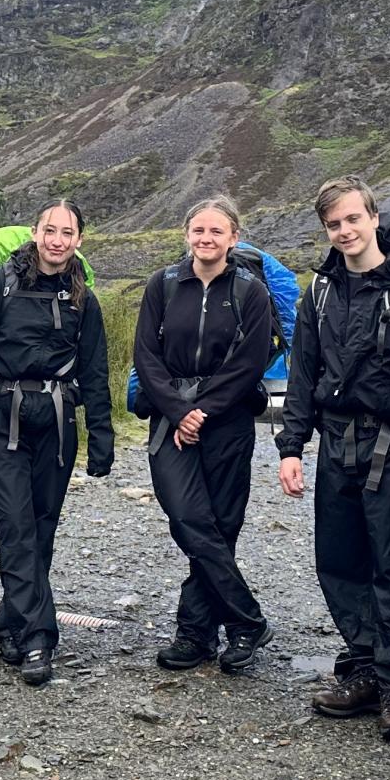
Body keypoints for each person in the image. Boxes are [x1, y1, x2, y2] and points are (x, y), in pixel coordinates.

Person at [276, 176, 390, 742]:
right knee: (338, 561)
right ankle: (364, 666)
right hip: (335, 447)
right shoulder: (319, 291)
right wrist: (291, 447)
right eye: (333, 225)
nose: (344, 231)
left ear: (372, 217)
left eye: (352, 219)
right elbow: (304, 372)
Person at [0, 200, 114, 686]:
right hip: (1, 420)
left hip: (56, 425)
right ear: (34, 233)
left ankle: (10, 624)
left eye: (67, 233)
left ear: (79, 240)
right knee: (16, 527)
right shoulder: (0, 282)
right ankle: (39, 638)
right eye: (49, 231)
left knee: (41, 529)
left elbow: (95, 371)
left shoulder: (84, 299)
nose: (57, 240)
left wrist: (102, 438)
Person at [133, 197, 277, 674]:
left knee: (221, 524)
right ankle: (247, 620)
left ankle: (195, 633)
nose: (206, 239)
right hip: (171, 420)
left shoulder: (251, 292)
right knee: (189, 518)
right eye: (198, 230)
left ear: (234, 238)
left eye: (217, 231)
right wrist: (179, 412)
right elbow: (146, 356)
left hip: (229, 421)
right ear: (186, 235)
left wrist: (204, 411)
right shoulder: (164, 285)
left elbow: (251, 361)